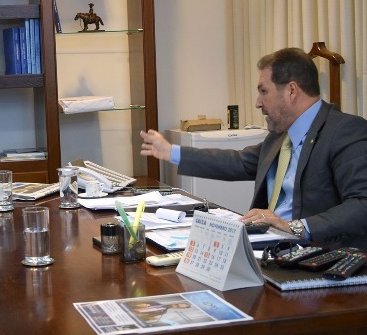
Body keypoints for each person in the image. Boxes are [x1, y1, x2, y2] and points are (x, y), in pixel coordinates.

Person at [140, 47, 367, 249]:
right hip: (268, 248)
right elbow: (237, 162)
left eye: (263, 91)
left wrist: (296, 227)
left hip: (316, 257)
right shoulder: (279, 136)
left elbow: (362, 203)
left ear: (291, 91)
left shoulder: (345, 131)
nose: (258, 102)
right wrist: (171, 152)